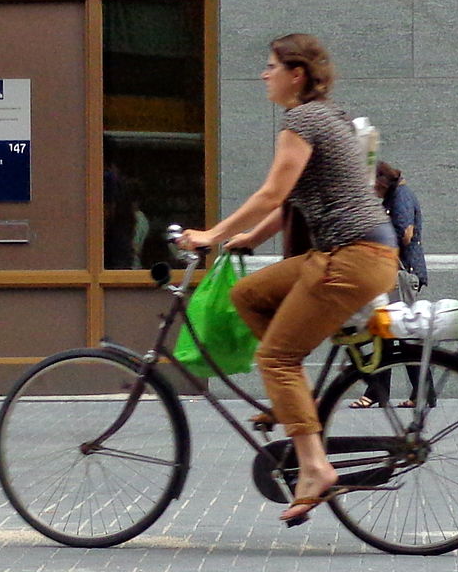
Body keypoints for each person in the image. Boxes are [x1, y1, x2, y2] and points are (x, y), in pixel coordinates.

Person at [179, 34, 398, 525]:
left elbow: (273, 191)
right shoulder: (332, 117)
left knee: (275, 357)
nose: (264, 74)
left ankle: (316, 467)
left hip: (350, 257)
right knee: (249, 292)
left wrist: (212, 234)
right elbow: (294, 200)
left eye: (271, 65)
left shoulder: (301, 120)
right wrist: (248, 241)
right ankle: (296, 403)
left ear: (296, 74)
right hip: (360, 252)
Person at [349, 160, 432, 409]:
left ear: (382, 181)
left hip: (401, 274)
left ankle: (379, 391)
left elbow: (405, 233)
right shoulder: (396, 196)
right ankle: (417, 392)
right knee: (395, 333)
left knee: (392, 332)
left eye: (373, 185)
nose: (372, 190)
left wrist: (376, 241)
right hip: (398, 273)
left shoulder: (401, 196)